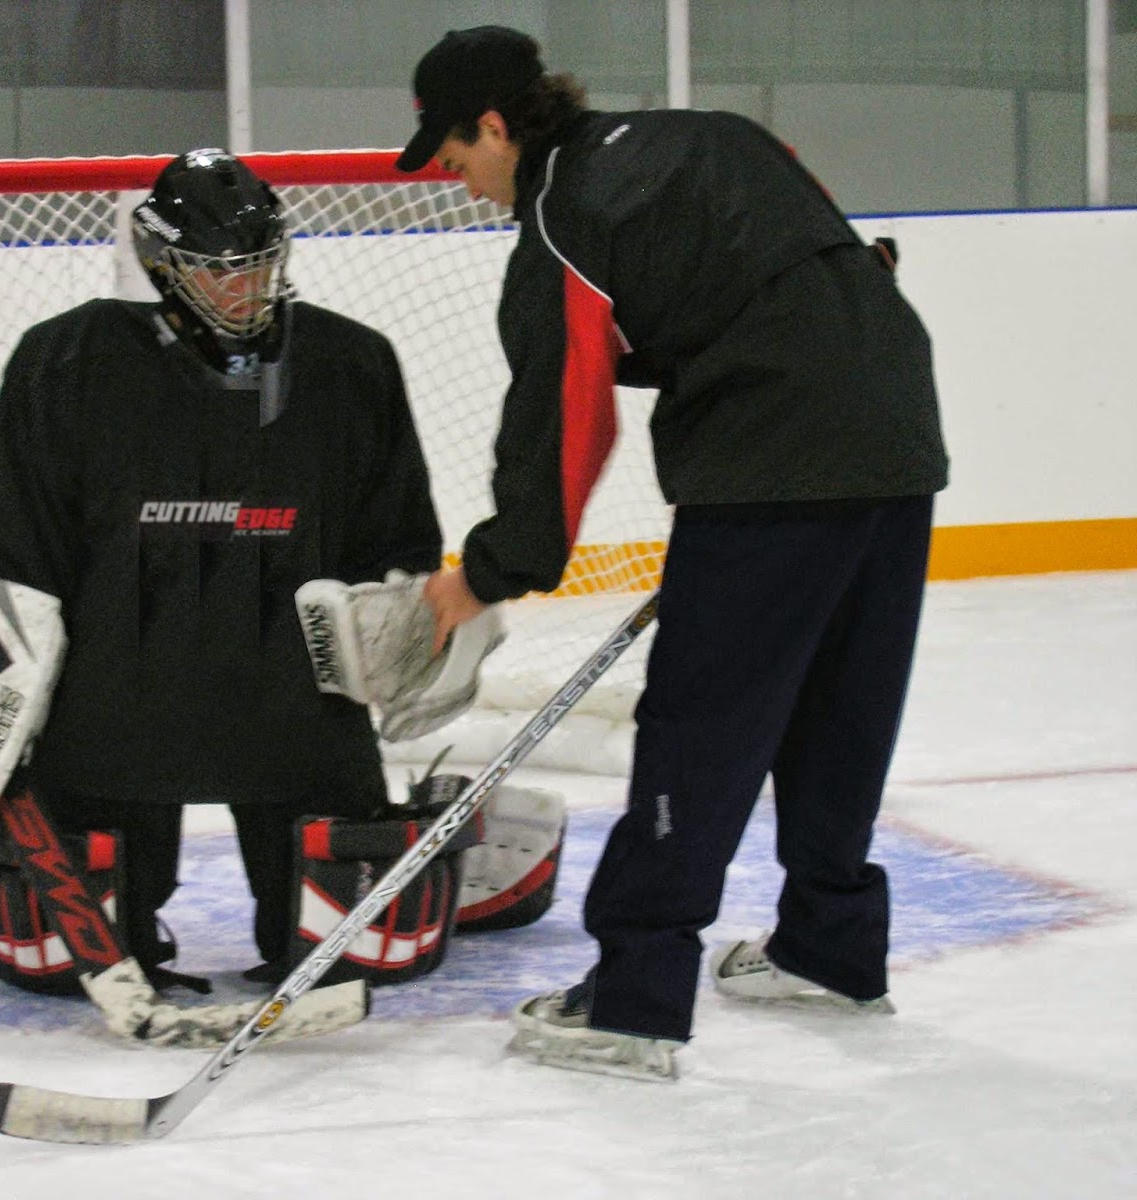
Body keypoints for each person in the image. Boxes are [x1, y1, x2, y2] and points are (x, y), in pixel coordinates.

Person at [394, 27, 949, 1081]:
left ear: (498, 126)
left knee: (699, 726)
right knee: (840, 703)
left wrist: (489, 571)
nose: (459, 184)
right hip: (896, 431)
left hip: (768, 464)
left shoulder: (563, 216)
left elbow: (563, 419)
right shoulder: (714, 138)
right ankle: (829, 952)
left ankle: (635, 995)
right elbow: (826, 258)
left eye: (456, 157)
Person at [0, 149, 456, 1004]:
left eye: (260, 264)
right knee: (64, 962)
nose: (244, 289)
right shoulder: (63, 361)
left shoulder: (351, 362)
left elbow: (393, 536)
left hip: (296, 690)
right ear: (159, 264)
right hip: (116, 686)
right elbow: (14, 547)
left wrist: (405, 651)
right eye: (217, 271)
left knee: (362, 955)